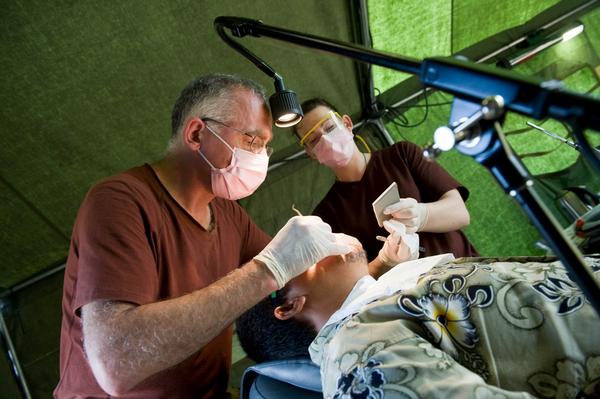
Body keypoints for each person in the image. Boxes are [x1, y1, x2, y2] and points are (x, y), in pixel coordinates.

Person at [54, 74, 352, 398]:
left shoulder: (226, 212)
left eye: (266, 146)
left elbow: (297, 275)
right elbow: (116, 362)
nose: (261, 157)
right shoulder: (120, 202)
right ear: (197, 133)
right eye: (252, 141)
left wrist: (377, 266)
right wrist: (267, 269)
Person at [237, 239, 600, 398]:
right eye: (296, 253)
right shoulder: (358, 356)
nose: (319, 239)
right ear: (287, 306)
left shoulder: (387, 302)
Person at [293, 98, 479, 278]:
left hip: (467, 270)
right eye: (314, 140)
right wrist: (385, 261)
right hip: (415, 301)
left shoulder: (402, 155)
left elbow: (460, 213)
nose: (326, 140)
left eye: (330, 127)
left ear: (347, 123)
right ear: (311, 154)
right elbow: (353, 285)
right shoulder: (326, 216)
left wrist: (422, 215)